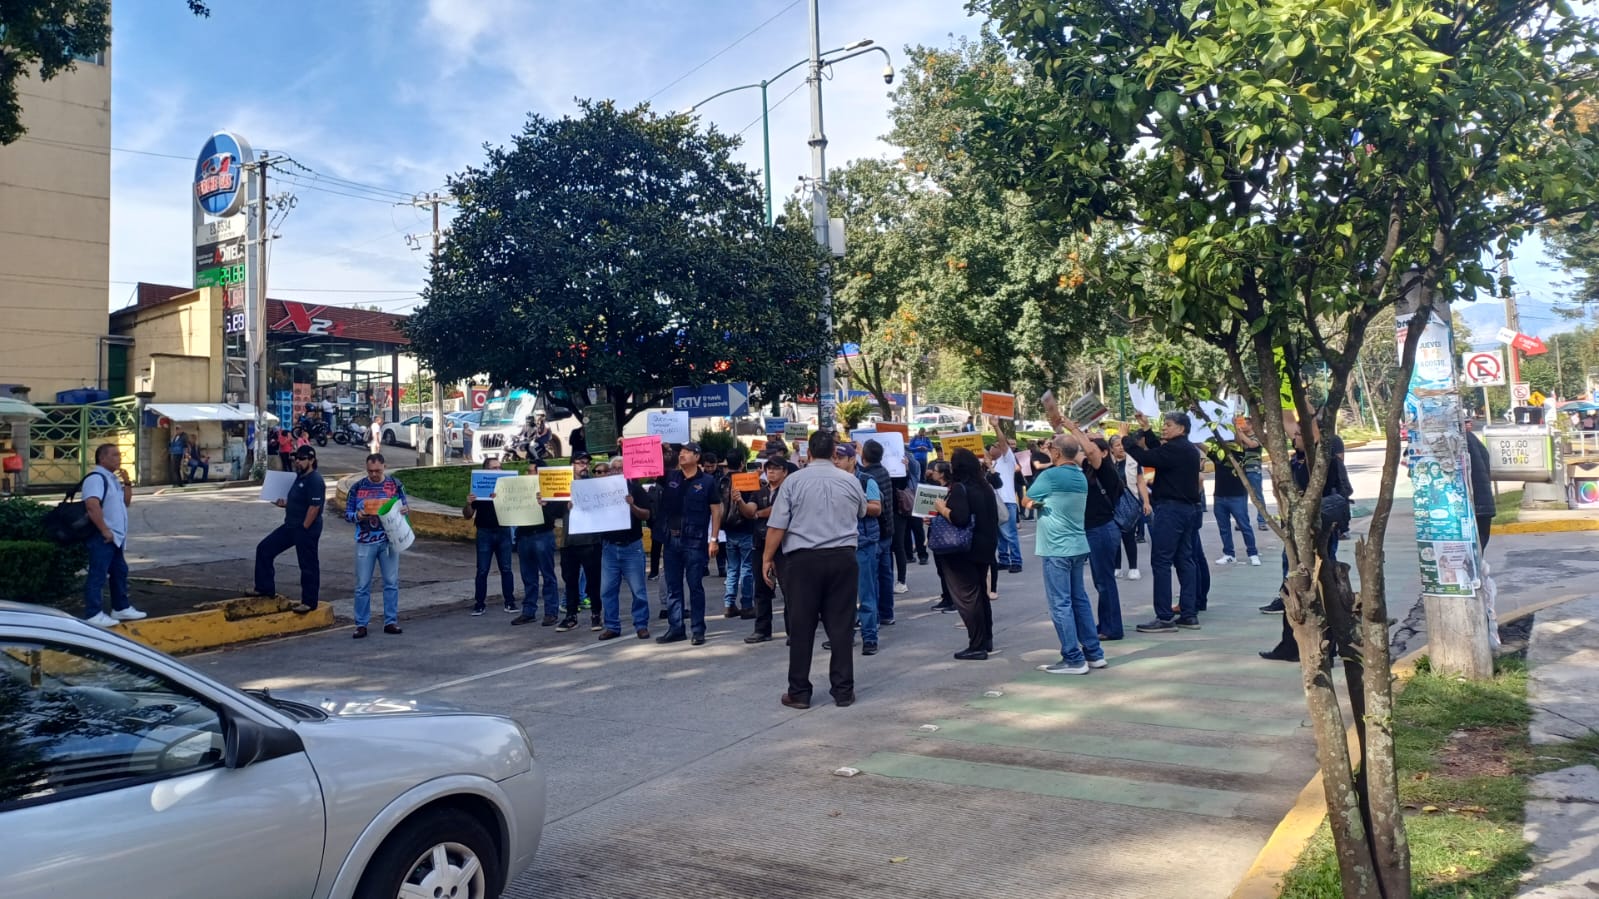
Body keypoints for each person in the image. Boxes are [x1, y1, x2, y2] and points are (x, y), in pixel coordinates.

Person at [763, 429, 867, 708]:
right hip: (843, 558)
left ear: (808, 453)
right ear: (834, 453)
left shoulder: (793, 481)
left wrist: (767, 558)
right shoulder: (850, 481)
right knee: (841, 626)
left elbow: (777, 525)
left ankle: (799, 692)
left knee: (801, 626)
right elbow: (861, 512)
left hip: (803, 561)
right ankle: (843, 690)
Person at [1023, 434, 1107, 674]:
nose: (1048, 449)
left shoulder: (1050, 475)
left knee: (1060, 603)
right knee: (1079, 599)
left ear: (1057, 453)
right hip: (1078, 544)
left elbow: (1027, 499)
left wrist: (1036, 505)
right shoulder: (1079, 475)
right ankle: (1093, 653)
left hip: (1056, 547)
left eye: (1051, 447)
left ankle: (1073, 658)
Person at [1123, 411, 1203, 633]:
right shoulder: (1186, 449)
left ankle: (1164, 617)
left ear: (1181, 428)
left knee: (1161, 561)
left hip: (1171, 510)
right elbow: (1159, 452)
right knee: (1185, 560)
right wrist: (1146, 429)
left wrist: (1125, 439)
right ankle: (1189, 612)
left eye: (1168, 425)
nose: (1164, 428)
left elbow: (1149, 457)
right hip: (1187, 510)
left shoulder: (1176, 449)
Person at [1055, 418, 1127, 640]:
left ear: (1103, 453)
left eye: (1092, 444)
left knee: (1104, 581)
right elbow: (1067, 450)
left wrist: (1073, 427)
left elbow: (1089, 452)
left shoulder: (1105, 469)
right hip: (1094, 530)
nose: (1086, 446)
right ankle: (1106, 624)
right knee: (1101, 581)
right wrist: (1058, 426)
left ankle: (1112, 628)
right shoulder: (1087, 468)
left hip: (1102, 530)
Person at [932, 448, 1001, 659]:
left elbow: (960, 518)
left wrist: (942, 509)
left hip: (964, 551)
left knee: (967, 597)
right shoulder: (985, 486)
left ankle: (977, 644)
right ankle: (985, 638)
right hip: (985, 547)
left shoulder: (961, 489)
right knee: (980, 594)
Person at [655, 442, 722, 645]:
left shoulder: (708, 482)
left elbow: (716, 510)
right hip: (671, 539)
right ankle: (676, 628)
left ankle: (698, 629)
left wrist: (714, 539)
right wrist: (657, 449)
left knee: (695, 586)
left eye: (686, 452)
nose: (682, 455)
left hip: (695, 541)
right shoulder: (670, 476)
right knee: (673, 587)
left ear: (697, 457)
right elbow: (646, 467)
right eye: (681, 452)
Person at [81, 443, 146, 627]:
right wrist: (104, 530)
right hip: (103, 536)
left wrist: (126, 483)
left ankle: (121, 607)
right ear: (102, 458)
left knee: (119, 572)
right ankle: (93, 613)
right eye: (115, 455)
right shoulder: (96, 478)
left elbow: (125, 503)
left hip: (115, 537)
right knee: (98, 574)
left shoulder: (111, 479)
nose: (119, 458)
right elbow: (92, 505)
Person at [343, 453, 407, 638]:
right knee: (362, 584)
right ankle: (361, 623)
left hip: (389, 540)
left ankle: (391, 621)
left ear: (384, 467)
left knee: (391, 582)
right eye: (370, 471)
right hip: (365, 540)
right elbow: (347, 514)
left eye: (377, 471)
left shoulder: (395, 484)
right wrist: (358, 516)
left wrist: (404, 510)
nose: (374, 474)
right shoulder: (357, 488)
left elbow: (404, 506)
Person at [254, 445, 324, 613]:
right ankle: (264, 588)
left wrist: (304, 528)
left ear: (311, 460)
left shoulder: (314, 480)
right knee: (264, 549)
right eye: (296, 459)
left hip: (305, 528)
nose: (297, 462)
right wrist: (281, 503)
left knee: (308, 565)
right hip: (291, 525)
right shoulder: (298, 478)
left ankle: (309, 602)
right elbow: (296, 502)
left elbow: (314, 507)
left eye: (301, 459)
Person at [595, 459, 653, 640]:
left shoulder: (634, 488)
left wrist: (632, 505)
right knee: (607, 590)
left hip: (631, 547)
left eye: (621, 468)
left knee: (638, 590)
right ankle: (612, 626)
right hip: (609, 548)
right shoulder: (600, 491)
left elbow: (647, 514)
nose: (616, 471)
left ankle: (641, 625)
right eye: (613, 469)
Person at [839, 442, 884, 655]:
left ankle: (870, 638)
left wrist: (856, 504)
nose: (835, 462)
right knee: (841, 596)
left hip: (863, 543)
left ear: (851, 459)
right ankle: (844, 636)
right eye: (833, 458)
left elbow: (876, 508)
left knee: (865, 594)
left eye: (839, 458)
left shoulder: (867, 480)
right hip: (838, 544)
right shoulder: (833, 481)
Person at [742, 456, 789, 643]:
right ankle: (762, 629)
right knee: (761, 589)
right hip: (760, 544)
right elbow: (748, 511)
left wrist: (758, 513)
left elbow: (779, 510)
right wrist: (739, 501)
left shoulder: (789, 491)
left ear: (785, 472)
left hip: (784, 546)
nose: (771, 472)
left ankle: (793, 631)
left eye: (776, 468)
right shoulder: (759, 492)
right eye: (768, 468)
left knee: (789, 590)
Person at [463, 455, 515, 616]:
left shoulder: (507, 488)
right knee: (482, 569)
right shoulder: (480, 488)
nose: (498, 471)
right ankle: (479, 603)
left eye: (500, 468)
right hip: (484, 531)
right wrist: (469, 503)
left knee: (506, 568)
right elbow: (467, 515)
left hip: (503, 530)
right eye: (494, 468)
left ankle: (510, 601)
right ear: (486, 471)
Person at [556, 452, 603, 632]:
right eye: (580, 463)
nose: (584, 466)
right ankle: (570, 616)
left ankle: (596, 614)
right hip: (569, 542)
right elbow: (553, 511)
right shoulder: (561, 484)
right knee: (570, 580)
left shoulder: (594, 485)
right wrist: (559, 504)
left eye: (586, 463)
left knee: (593, 581)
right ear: (572, 465)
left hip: (591, 541)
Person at [511, 459, 561, 626]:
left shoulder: (550, 490)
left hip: (542, 535)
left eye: (531, 471)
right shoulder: (520, 490)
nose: (528, 474)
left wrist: (545, 504)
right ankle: (528, 611)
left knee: (547, 575)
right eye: (527, 471)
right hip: (524, 536)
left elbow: (556, 514)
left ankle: (551, 611)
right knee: (528, 576)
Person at [859, 439, 897, 632]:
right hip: (887, 531)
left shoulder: (867, 477)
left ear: (863, 456)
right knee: (885, 573)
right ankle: (887, 613)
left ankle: (874, 617)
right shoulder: (883, 471)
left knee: (871, 578)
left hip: (873, 533)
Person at [1209, 442, 1262, 566]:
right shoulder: (1218, 454)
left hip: (1237, 496)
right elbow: (1203, 446)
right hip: (1219, 496)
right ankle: (1229, 554)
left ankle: (1253, 553)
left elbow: (1250, 444)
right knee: (1224, 528)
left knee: (1244, 525)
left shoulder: (1241, 455)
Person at [719, 448, 757, 618]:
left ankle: (729, 604)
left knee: (733, 568)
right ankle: (747, 604)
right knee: (747, 567)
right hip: (746, 528)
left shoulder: (721, 481)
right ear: (742, 463)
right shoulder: (748, 480)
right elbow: (754, 503)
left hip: (728, 530)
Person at [1109, 435, 1149, 579]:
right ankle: (1116, 567)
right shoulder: (1107, 463)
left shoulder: (1133, 461)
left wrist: (1146, 502)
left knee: (1128, 535)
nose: (1121, 447)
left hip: (1130, 503)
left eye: (1122, 445)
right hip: (1111, 504)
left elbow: (1140, 482)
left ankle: (1133, 567)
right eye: (1117, 445)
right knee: (1114, 537)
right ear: (1111, 449)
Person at [925, 460, 958, 614]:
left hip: (946, 534)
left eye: (936, 470)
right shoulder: (939, 488)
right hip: (937, 531)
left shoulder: (951, 490)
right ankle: (946, 596)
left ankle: (953, 599)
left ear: (943, 474)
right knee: (941, 568)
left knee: (948, 569)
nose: (933, 472)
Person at [988, 440, 1023, 573]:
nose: (992, 448)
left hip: (1006, 501)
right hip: (994, 501)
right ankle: (1004, 559)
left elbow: (1003, 443)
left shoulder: (1007, 459)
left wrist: (996, 427)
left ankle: (1016, 561)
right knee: (999, 534)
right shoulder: (992, 463)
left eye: (995, 446)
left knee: (1009, 533)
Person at [1465, 419, 1496, 553]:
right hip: (1483, 504)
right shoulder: (1470, 438)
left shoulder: (1461, 440)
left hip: (1474, 505)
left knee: (1471, 554)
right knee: (1478, 550)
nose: (1469, 424)